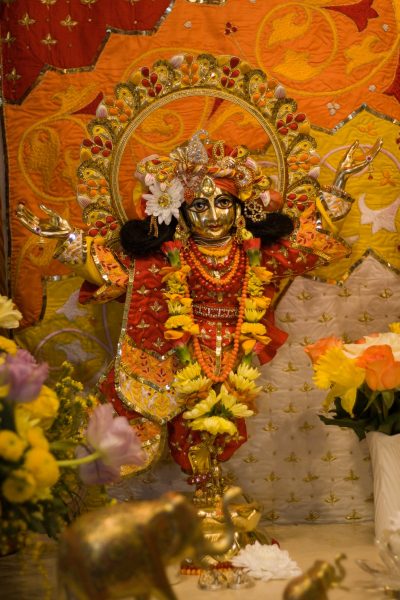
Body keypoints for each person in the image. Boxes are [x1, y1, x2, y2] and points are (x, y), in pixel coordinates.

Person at [16, 132, 382, 493]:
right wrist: (67, 239)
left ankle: (212, 485)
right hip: (179, 354)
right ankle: (205, 487)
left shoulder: (253, 254)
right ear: (182, 214)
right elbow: (116, 272)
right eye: (199, 206)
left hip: (236, 352)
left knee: (225, 423)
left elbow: (305, 244)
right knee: (187, 425)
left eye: (223, 202)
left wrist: (340, 180)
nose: (213, 216)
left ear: (241, 209)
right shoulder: (167, 259)